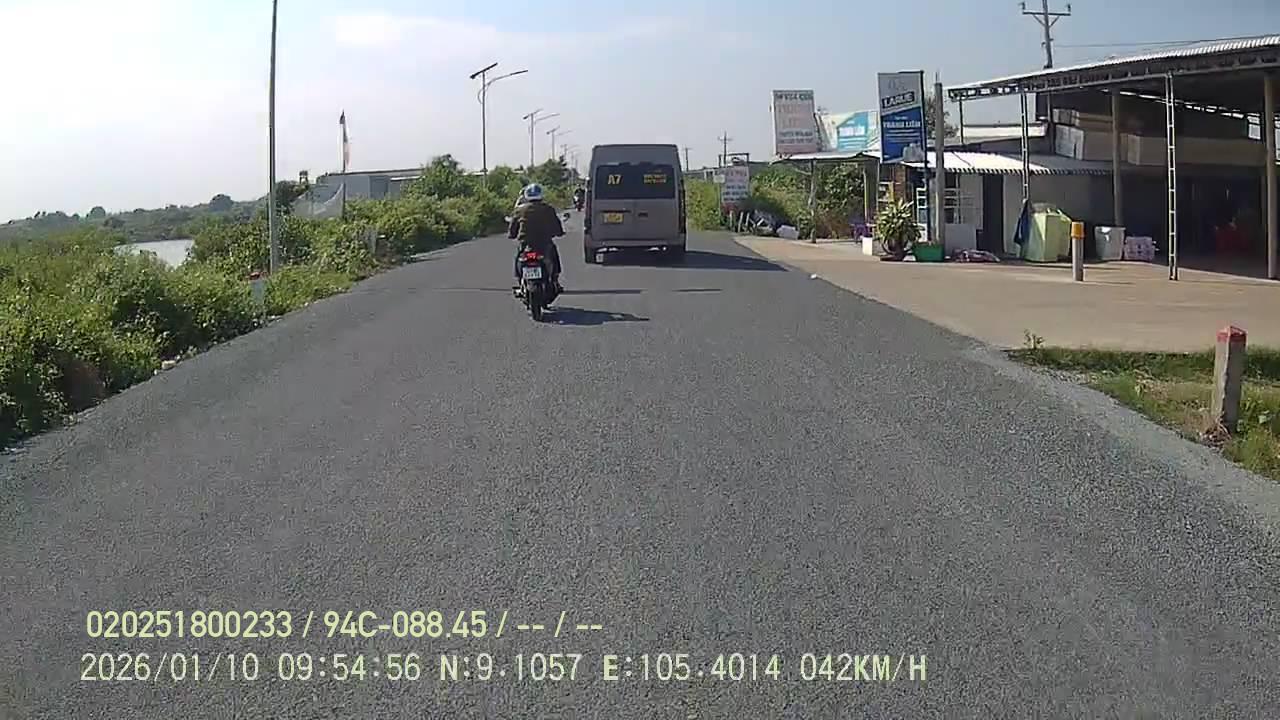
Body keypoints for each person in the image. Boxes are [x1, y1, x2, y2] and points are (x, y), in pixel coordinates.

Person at [508, 183, 564, 293]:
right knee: (553, 256)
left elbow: (512, 229)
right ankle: (555, 280)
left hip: (526, 243)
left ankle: (520, 281)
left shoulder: (519, 210)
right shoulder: (548, 209)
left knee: (519, 257)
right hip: (544, 243)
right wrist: (559, 232)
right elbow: (556, 226)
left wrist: (512, 235)